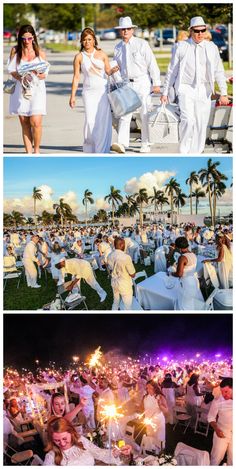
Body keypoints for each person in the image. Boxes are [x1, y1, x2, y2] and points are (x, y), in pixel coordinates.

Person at [161, 16, 229, 154]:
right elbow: (171, 71)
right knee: (188, 119)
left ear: (205, 30)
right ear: (191, 31)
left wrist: (224, 93)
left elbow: (219, 71)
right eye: (196, 31)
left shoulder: (212, 48)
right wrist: (165, 92)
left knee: (201, 123)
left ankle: (196, 152)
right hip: (186, 88)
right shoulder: (181, 46)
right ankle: (184, 151)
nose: (200, 34)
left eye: (202, 30)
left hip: (204, 90)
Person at [111, 16, 161, 154]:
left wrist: (156, 83)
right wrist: (117, 81)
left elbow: (152, 64)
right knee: (125, 114)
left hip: (142, 82)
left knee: (144, 113)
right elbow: (116, 67)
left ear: (132, 30)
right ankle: (122, 144)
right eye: (123, 29)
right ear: (120, 31)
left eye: (128, 28)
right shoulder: (118, 48)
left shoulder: (141, 44)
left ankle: (145, 143)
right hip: (126, 83)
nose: (125, 31)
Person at [69, 27, 119, 153]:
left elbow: (107, 71)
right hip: (88, 93)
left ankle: (101, 150)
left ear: (94, 40)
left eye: (89, 39)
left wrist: (113, 71)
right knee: (90, 121)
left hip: (102, 92)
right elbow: (76, 77)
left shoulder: (102, 54)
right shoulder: (79, 57)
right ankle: (89, 147)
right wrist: (72, 96)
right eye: (85, 40)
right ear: (81, 41)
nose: (87, 42)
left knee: (102, 120)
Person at [7, 24, 49, 154]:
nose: (26, 41)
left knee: (36, 122)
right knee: (25, 123)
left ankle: (36, 151)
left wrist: (37, 73)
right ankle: (29, 153)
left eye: (29, 38)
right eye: (23, 39)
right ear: (20, 39)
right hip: (21, 91)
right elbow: (11, 70)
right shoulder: (15, 51)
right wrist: (21, 77)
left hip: (37, 91)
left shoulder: (40, 53)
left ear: (34, 38)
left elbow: (44, 74)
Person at [44, 416, 131, 465]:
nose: (62, 443)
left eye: (64, 438)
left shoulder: (81, 441)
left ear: (71, 432)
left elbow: (98, 452)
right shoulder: (51, 457)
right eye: (57, 440)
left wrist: (118, 452)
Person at [171, 236, 204, 308]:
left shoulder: (182, 257)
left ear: (179, 247)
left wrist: (171, 273)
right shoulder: (193, 254)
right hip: (193, 280)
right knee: (191, 301)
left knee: (185, 304)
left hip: (186, 283)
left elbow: (179, 274)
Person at [207, 378, 232, 465]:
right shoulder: (218, 400)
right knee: (216, 458)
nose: (223, 394)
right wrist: (216, 429)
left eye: (226, 391)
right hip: (222, 433)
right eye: (222, 392)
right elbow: (211, 417)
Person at [107, 237, 136, 310]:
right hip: (124, 284)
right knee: (127, 306)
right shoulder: (126, 257)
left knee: (116, 302)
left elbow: (110, 269)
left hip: (114, 282)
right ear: (122, 245)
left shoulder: (109, 255)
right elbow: (133, 274)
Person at [142, 380, 168, 452]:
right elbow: (144, 409)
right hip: (149, 421)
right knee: (150, 438)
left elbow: (166, 410)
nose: (148, 390)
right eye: (147, 388)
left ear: (155, 388)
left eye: (150, 388)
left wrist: (160, 405)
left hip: (158, 422)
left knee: (158, 440)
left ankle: (159, 455)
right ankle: (150, 452)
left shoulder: (160, 397)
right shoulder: (145, 397)